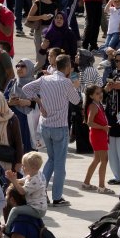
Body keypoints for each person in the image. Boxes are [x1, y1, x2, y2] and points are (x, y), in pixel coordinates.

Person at [17, 54, 81, 206]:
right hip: (59, 127)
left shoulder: (45, 79)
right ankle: (57, 197)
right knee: (59, 164)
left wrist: (39, 101)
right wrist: (75, 86)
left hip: (45, 126)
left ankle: (42, 190)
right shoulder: (66, 82)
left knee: (51, 160)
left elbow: (26, 88)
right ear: (67, 67)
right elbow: (76, 100)